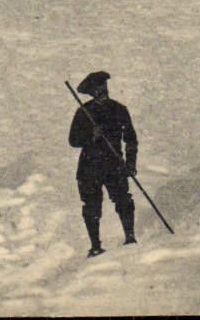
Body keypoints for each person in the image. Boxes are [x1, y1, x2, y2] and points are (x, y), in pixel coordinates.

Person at [68, 71, 137, 258]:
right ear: (91, 92)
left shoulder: (119, 109)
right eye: (96, 89)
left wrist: (131, 163)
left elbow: (131, 139)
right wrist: (92, 136)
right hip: (89, 167)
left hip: (114, 164)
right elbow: (73, 140)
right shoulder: (84, 112)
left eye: (103, 87)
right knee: (91, 205)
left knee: (123, 199)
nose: (101, 91)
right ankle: (95, 246)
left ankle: (130, 236)